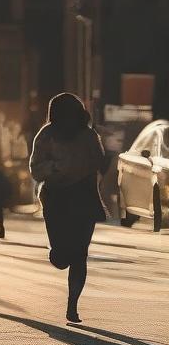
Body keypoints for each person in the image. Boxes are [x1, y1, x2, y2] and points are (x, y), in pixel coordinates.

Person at [29, 93, 108, 324]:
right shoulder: (46, 135)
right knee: (62, 256)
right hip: (56, 199)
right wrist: (57, 167)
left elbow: (99, 162)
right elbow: (35, 169)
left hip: (84, 198)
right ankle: (57, 254)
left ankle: (72, 306)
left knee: (80, 255)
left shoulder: (89, 135)